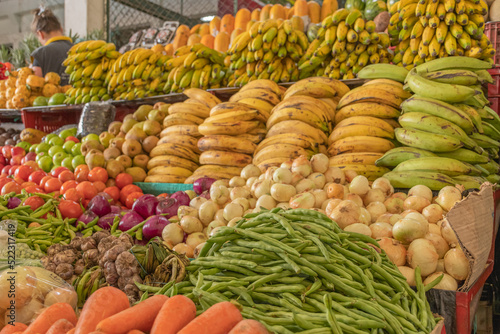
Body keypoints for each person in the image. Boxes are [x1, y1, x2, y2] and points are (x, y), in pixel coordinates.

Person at [31, 7, 73, 85]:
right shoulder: (79, 49)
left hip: (51, 97)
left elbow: (35, 84)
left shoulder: (39, 54)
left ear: (40, 34)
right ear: (61, 29)